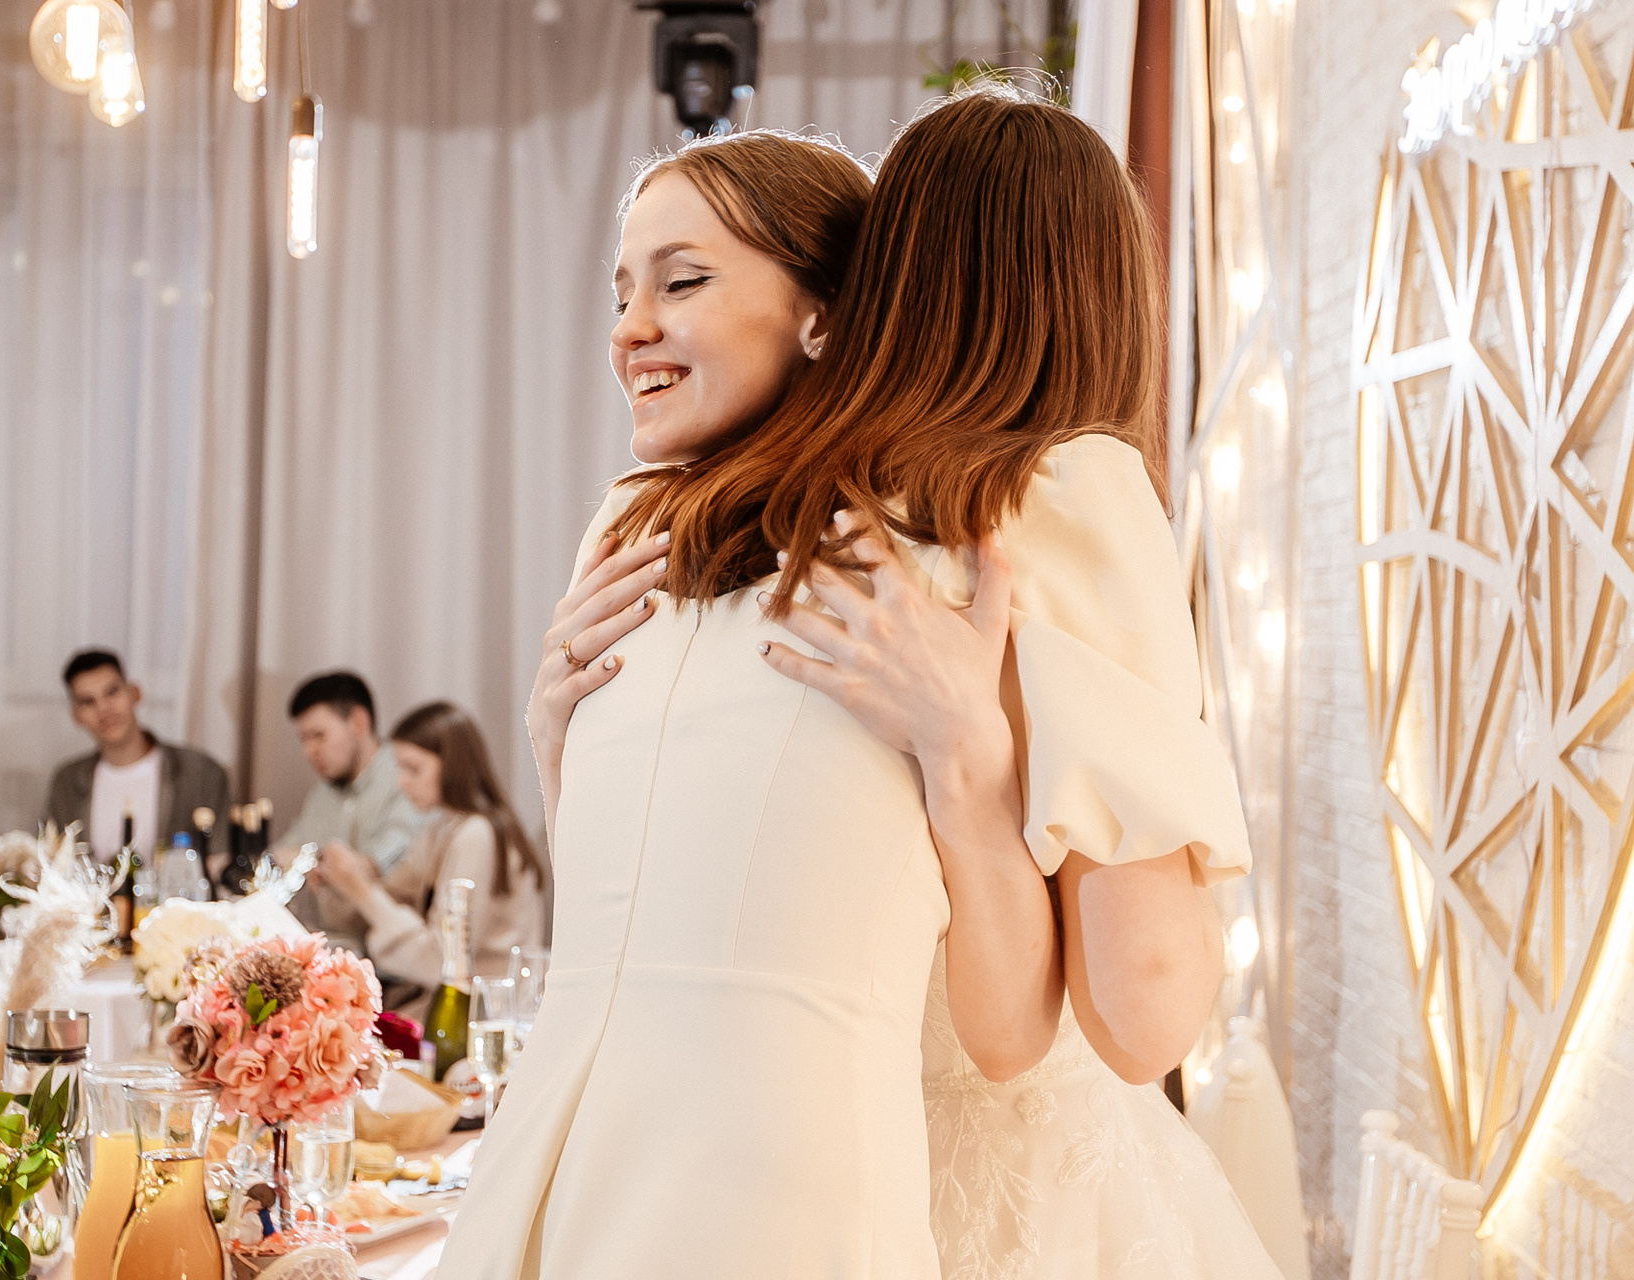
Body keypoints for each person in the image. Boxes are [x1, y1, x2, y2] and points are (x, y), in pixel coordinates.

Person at [442, 98, 1278, 1280]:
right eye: (625, 290)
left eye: (682, 281)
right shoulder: (1031, 509)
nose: (630, 328)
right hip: (854, 1181)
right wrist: (969, 762)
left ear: (857, 298)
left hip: (695, 1181)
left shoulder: (674, 529)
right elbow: (1144, 1011)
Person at [311, 701, 545, 1021]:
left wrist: (361, 889)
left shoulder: (477, 834)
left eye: (413, 769)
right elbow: (390, 897)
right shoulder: (441, 828)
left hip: (484, 1014)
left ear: (451, 766)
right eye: (400, 769)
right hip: (454, 1004)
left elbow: (443, 962)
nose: (402, 782)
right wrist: (343, 880)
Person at [272, 671, 425, 942]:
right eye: (304, 739)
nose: (309, 751)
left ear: (358, 722)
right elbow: (281, 856)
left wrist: (317, 861)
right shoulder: (323, 793)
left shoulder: (405, 778)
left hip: (392, 943)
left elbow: (377, 865)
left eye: (318, 736)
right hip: (331, 938)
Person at [43, 648, 232, 865]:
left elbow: (220, 860)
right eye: (88, 701)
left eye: (111, 692)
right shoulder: (66, 782)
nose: (103, 708)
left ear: (135, 693)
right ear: (76, 716)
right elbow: (52, 862)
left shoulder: (200, 773)